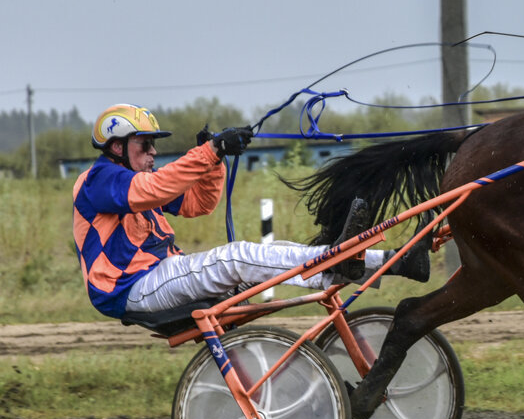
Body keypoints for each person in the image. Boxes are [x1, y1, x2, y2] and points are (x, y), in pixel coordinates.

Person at [72, 103, 428, 320]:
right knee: (235, 258)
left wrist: (213, 163)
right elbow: (155, 188)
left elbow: (198, 203)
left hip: (157, 276)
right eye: (145, 145)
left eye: (153, 145)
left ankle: (394, 260)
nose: (152, 153)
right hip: (129, 288)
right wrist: (209, 151)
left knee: (268, 253)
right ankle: (339, 259)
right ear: (116, 147)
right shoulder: (99, 180)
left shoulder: (135, 179)